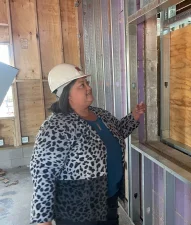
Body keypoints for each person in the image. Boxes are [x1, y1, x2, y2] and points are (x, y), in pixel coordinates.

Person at [30, 63, 146, 225]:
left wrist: (134, 116)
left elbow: (117, 132)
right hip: (77, 211)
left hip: (109, 201)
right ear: (66, 94)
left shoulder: (100, 114)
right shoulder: (55, 127)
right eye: (81, 85)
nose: (88, 88)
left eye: (87, 83)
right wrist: (43, 220)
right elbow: (43, 175)